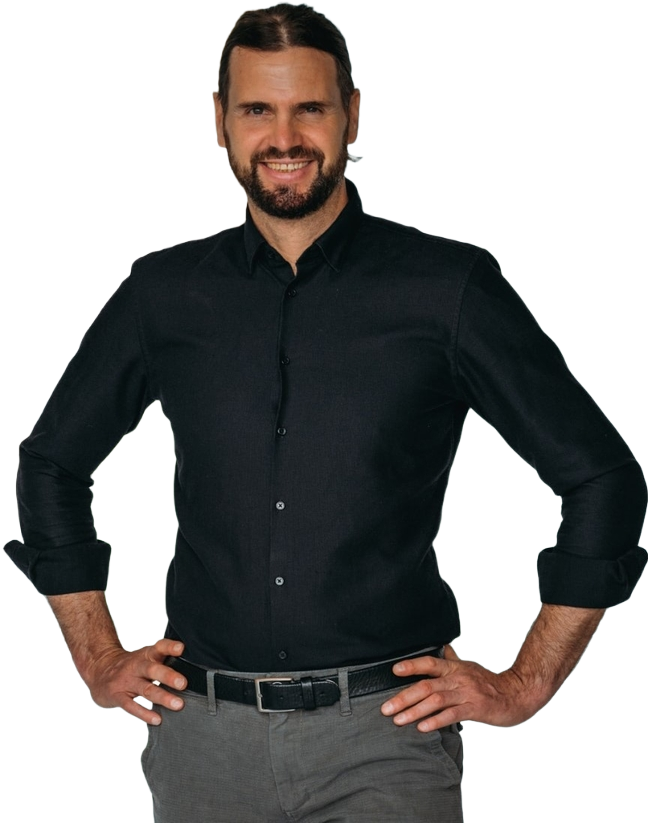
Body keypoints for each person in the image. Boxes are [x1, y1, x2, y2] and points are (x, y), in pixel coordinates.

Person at [4, 3, 647, 821]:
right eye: (257, 109)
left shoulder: (448, 288)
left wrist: (526, 683)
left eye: (309, 107)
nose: (284, 137)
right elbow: (51, 466)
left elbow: (603, 480)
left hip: (386, 742)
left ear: (351, 114)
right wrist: (97, 655)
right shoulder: (162, 295)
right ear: (223, 122)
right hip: (204, 747)